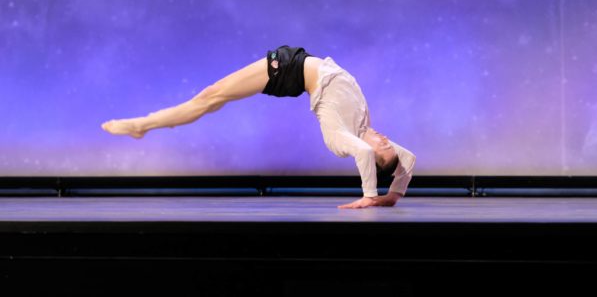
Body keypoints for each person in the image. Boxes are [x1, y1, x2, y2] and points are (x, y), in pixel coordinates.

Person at [101, 45, 417, 209]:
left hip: (288, 71)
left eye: (384, 148)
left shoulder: (341, 139)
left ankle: (142, 125)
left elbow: (363, 152)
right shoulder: (366, 130)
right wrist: (391, 196)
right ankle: (145, 125)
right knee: (211, 99)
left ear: (373, 160)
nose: (387, 140)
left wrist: (368, 195)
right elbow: (409, 160)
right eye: (389, 144)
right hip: (298, 64)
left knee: (210, 97)